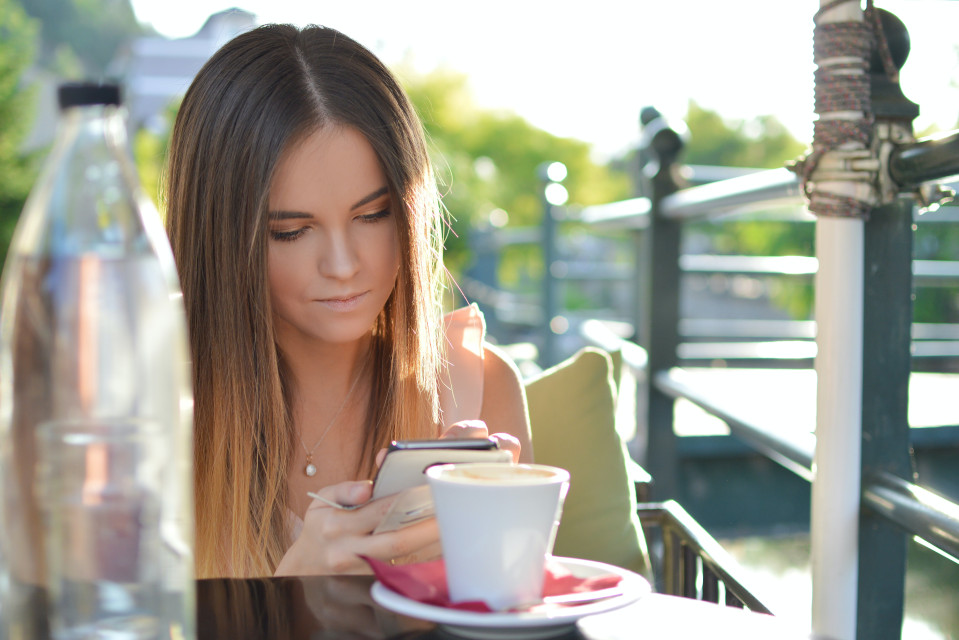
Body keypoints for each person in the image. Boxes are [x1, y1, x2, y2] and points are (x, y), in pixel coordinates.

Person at [164, 23, 533, 579]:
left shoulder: (478, 388)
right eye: (290, 230)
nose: (342, 265)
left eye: (372, 215)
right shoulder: (145, 412)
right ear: (218, 236)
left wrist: (492, 560)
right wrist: (289, 600)